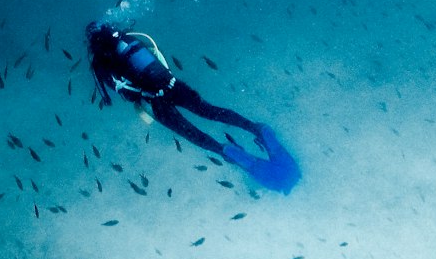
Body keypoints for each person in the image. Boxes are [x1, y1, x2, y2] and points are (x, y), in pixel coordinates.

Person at [85, 22, 300, 193]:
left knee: (193, 134)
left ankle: (226, 150)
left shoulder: (98, 62)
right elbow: (157, 56)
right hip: (173, 84)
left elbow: (118, 92)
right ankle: (258, 129)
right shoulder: (130, 39)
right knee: (210, 111)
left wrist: (137, 98)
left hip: (153, 100)